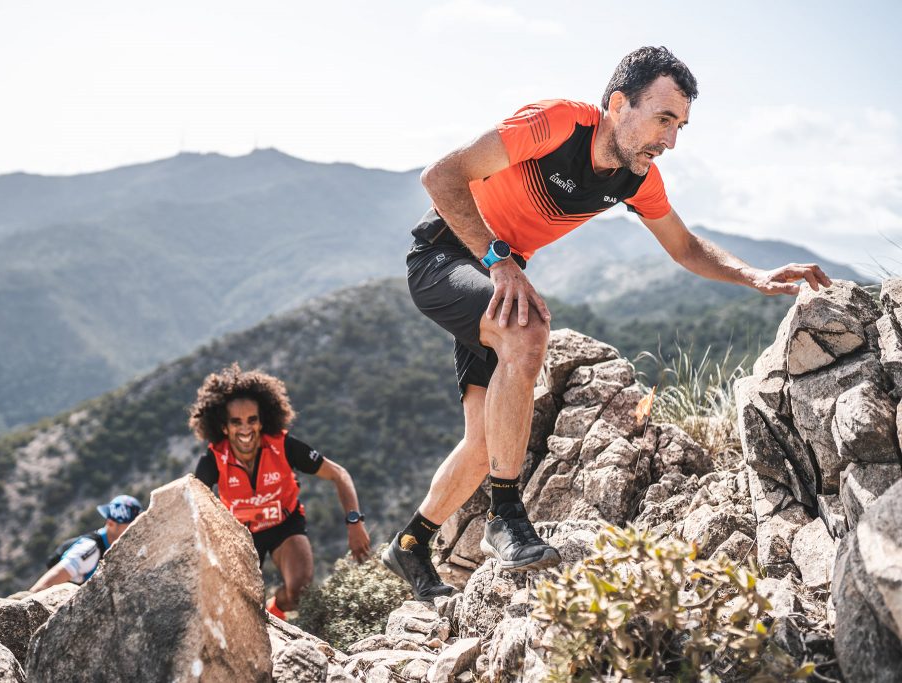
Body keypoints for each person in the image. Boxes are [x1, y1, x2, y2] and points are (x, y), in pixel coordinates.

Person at [382, 45, 832, 599]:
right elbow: (441, 177)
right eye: (664, 119)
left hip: (498, 278)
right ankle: (507, 515)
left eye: (680, 126)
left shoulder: (635, 177)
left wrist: (754, 275)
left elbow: (685, 247)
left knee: (485, 442)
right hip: (444, 256)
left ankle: (410, 544)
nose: (670, 141)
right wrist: (499, 262)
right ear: (618, 103)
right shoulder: (555, 123)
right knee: (527, 332)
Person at [188, 364, 371, 619]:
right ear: (223, 427)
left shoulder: (283, 446)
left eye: (252, 420)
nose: (245, 429)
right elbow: (194, 509)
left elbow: (338, 474)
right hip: (240, 534)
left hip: (284, 526)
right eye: (236, 422)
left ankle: (275, 612)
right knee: (238, 605)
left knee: (300, 593)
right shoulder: (213, 460)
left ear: (262, 422)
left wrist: (354, 522)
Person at [30, 494, 143, 593]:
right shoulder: (89, 549)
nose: (135, 530)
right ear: (111, 523)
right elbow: (46, 584)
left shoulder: (115, 549)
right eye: (130, 526)